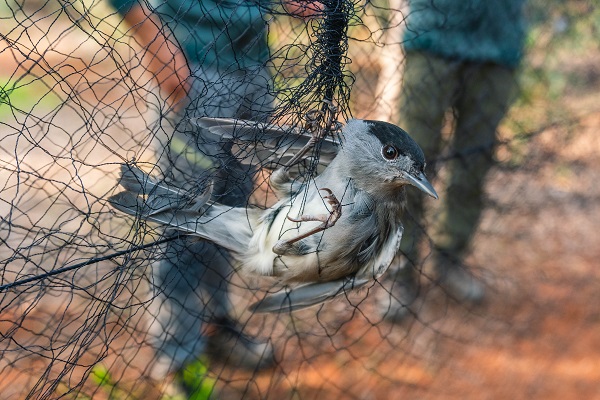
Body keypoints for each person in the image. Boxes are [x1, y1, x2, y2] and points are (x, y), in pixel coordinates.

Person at [108, 0, 321, 395]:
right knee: (184, 220)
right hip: (192, 61)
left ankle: (215, 326)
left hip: (254, 63)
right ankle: (178, 360)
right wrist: (155, 42)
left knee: (229, 209)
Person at [378, 0, 526, 321]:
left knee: (474, 161)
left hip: (499, 40)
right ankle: (400, 271)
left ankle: (450, 258)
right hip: (433, 31)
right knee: (408, 161)